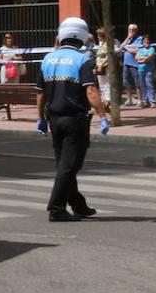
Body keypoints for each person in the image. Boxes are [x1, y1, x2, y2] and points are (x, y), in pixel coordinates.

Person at [35, 18, 109, 222]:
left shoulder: (48, 59)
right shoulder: (82, 59)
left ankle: (78, 205)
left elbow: (40, 93)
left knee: (64, 165)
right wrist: (103, 116)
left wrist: (40, 117)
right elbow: (91, 90)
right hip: (75, 120)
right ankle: (56, 208)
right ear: (83, 36)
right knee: (70, 166)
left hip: (54, 119)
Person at [118, 23, 141, 106]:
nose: (131, 31)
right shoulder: (128, 39)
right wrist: (128, 38)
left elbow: (136, 51)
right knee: (126, 83)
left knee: (137, 83)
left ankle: (139, 100)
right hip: (126, 64)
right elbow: (120, 48)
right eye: (129, 30)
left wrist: (126, 47)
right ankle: (129, 100)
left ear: (136, 30)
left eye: (132, 30)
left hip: (135, 64)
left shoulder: (139, 39)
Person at [135, 34, 156, 108]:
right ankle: (145, 101)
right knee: (142, 86)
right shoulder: (140, 49)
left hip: (149, 70)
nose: (146, 42)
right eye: (145, 41)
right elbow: (136, 58)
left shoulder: (152, 49)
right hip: (140, 70)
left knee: (149, 85)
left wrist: (142, 59)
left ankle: (152, 101)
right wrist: (144, 59)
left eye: (148, 41)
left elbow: (149, 57)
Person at [93, 27, 112, 110]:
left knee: (106, 85)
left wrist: (101, 65)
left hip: (105, 67)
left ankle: (108, 101)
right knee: (101, 86)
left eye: (98, 35)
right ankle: (104, 102)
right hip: (99, 66)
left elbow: (108, 56)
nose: (97, 37)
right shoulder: (101, 45)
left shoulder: (107, 45)